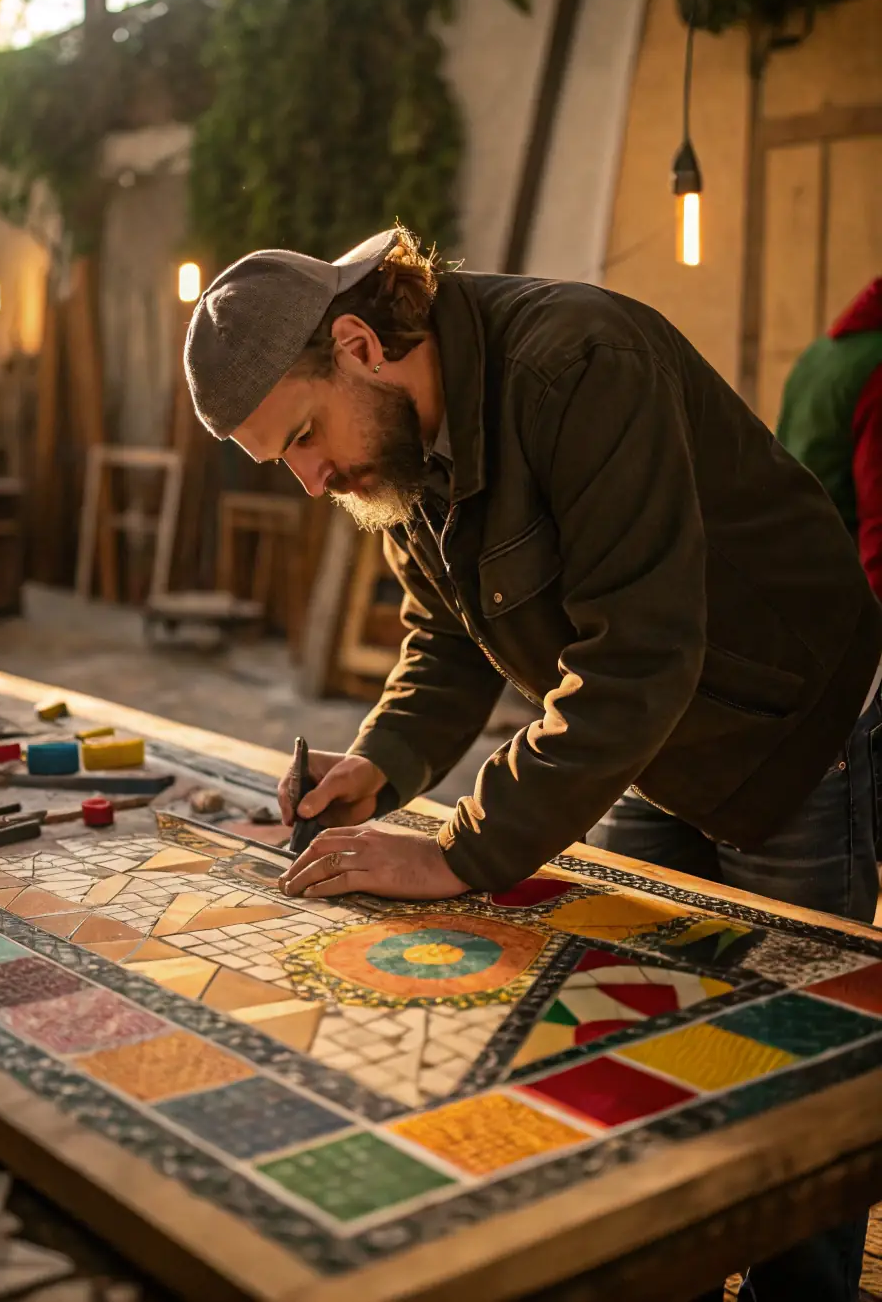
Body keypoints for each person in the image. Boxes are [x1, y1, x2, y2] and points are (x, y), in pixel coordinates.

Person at [184, 225, 881, 1302]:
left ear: (360, 343)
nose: (314, 482)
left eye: (305, 438)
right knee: (628, 1043)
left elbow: (640, 656)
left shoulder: (574, 362)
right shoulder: (398, 446)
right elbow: (448, 637)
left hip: (787, 728)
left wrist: (462, 848)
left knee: (800, 1084)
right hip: (647, 746)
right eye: (287, 462)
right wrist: (380, 765)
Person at [776, 275, 882, 599]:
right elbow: (878, 511)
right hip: (847, 584)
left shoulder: (819, 353)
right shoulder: (876, 369)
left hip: (788, 566)